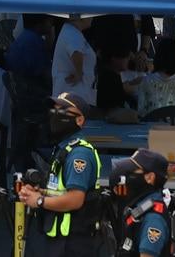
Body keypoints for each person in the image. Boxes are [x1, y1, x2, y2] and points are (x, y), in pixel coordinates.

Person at [17, 93, 103, 255]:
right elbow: (60, 189)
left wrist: (40, 201)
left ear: (79, 120)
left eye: (63, 110)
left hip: (74, 241)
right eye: (54, 109)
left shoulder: (79, 155)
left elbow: (75, 199)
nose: (55, 114)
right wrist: (38, 193)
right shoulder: (63, 149)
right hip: (60, 238)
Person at [111, 149, 171, 257]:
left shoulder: (153, 219)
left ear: (149, 177)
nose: (124, 175)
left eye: (131, 171)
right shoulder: (143, 206)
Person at [51, 16, 97, 106]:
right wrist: (79, 73)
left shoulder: (72, 31)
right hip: (73, 93)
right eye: (90, 15)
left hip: (74, 93)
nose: (92, 18)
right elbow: (75, 52)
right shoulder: (71, 33)